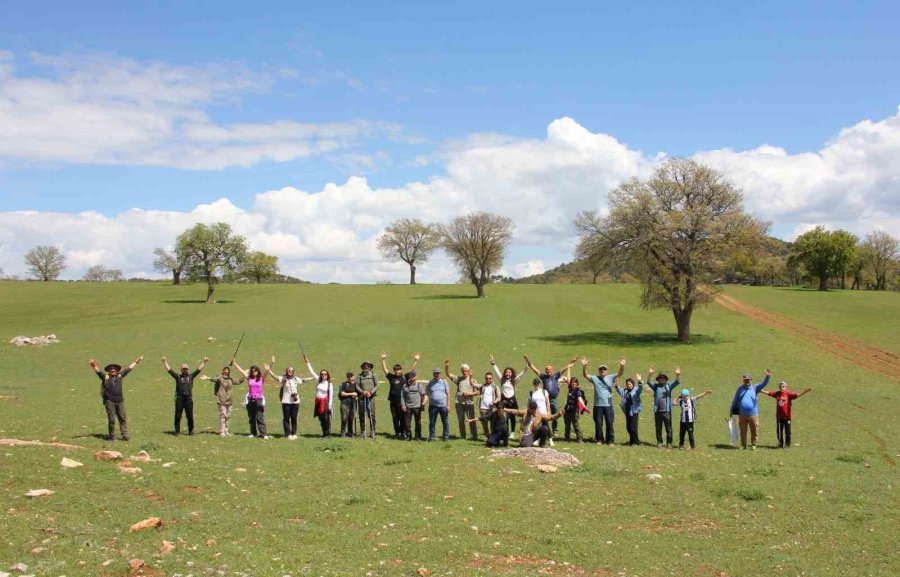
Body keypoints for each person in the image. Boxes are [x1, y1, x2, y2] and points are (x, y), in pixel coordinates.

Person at [89, 356, 143, 441]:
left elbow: (129, 369)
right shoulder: (105, 377)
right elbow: (98, 372)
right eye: (111, 369)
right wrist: (93, 365)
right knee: (112, 419)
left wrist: (136, 361)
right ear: (109, 371)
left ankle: (124, 435)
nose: (113, 370)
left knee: (122, 418)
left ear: (117, 370)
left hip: (120, 401)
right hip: (109, 401)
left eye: (114, 369)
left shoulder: (120, 376)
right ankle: (112, 436)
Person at [524, 354, 578, 436]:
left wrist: (571, 361)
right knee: (545, 415)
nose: (549, 371)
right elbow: (534, 369)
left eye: (550, 369)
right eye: (547, 369)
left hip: (554, 399)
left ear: (552, 370)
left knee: (555, 414)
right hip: (546, 399)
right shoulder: (543, 377)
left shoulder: (556, 376)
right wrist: (528, 361)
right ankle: (545, 430)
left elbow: (564, 368)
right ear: (545, 371)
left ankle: (555, 431)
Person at [264, 355, 316, 440]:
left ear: (293, 372)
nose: (290, 371)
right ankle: (287, 433)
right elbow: (275, 377)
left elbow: (303, 380)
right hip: (286, 401)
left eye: (292, 370)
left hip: (295, 402)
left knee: (294, 417)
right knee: (286, 418)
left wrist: (313, 378)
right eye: (289, 370)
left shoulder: (296, 379)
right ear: (287, 371)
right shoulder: (283, 378)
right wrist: (269, 370)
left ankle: (294, 433)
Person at [582, 357, 625, 445]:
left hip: (608, 405)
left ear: (607, 371)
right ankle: (599, 439)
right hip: (597, 405)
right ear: (599, 370)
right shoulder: (595, 378)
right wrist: (585, 366)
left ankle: (610, 440)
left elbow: (620, 374)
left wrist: (622, 366)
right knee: (598, 423)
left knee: (609, 423)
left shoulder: (611, 377)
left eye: (604, 369)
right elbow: (585, 375)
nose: (602, 370)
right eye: (601, 369)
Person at [161, 356, 208, 436]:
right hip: (179, 399)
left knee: (190, 416)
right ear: (181, 370)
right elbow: (170, 370)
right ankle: (177, 431)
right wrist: (165, 362)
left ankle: (191, 431)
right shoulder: (178, 377)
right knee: (178, 416)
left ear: (188, 370)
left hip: (188, 400)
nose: (185, 370)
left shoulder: (191, 376)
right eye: (183, 369)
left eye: (186, 369)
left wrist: (204, 362)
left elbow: (198, 370)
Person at [729, 369, 772, 450]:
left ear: (751, 380)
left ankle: (754, 444)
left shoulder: (755, 388)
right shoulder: (740, 389)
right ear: (743, 380)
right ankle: (743, 445)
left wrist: (767, 376)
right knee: (743, 431)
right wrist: (731, 410)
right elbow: (735, 400)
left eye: (748, 380)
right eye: (745, 380)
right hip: (742, 414)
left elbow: (764, 384)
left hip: (753, 414)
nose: (747, 381)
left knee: (754, 430)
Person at [382, 352, 420, 439]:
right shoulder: (392, 377)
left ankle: (403, 432)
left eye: (398, 370)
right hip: (393, 402)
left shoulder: (404, 377)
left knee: (403, 418)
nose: (397, 371)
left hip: (403, 402)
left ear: (401, 370)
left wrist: (415, 360)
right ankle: (397, 432)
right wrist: (383, 359)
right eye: (395, 370)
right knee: (395, 418)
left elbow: (412, 369)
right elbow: (385, 370)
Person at [199, 365, 244, 436]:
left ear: (229, 371)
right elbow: (215, 379)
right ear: (223, 371)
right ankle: (222, 431)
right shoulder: (220, 377)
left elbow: (238, 382)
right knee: (223, 415)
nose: (226, 371)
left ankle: (227, 431)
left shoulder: (230, 379)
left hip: (230, 400)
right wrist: (207, 377)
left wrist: (243, 376)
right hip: (222, 399)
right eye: (225, 370)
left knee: (228, 416)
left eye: (227, 370)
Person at [765, 382, 812, 448]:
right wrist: (760, 390)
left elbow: (797, 395)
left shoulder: (788, 394)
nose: (782, 388)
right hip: (779, 417)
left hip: (787, 417)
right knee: (779, 431)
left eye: (783, 387)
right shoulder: (777, 394)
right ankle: (780, 444)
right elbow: (769, 393)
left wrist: (805, 391)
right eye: (781, 387)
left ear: (786, 388)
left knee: (787, 432)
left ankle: (787, 444)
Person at [490, 355, 526, 439]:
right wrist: (493, 364)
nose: (508, 374)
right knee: (504, 417)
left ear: (511, 373)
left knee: (512, 417)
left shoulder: (514, 381)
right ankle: (505, 432)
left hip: (512, 401)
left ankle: (512, 433)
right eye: (507, 372)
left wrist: (526, 368)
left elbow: (521, 375)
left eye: (509, 372)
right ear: (505, 373)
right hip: (503, 401)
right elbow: (497, 372)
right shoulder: (501, 380)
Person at [231, 360, 268, 439]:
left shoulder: (261, 379)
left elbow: (266, 373)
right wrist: (234, 363)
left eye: (255, 371)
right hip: (250, 400)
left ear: (258, 371)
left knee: (259, 417)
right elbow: (241, 371)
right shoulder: (249, 378)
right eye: (253, 371)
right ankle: (253, 433)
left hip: (258, 400)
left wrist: (269, 367)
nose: (254, 372)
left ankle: (264, 434)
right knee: (251, 417)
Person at [646, 366, 681, 448]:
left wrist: (678, 374)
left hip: (667, 411)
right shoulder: (655, 387)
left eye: (664, 378)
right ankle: (659, 442)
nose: (662, 379)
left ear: (666, 379)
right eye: (660, 378)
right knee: (658, 428)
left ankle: (669, 443)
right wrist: (650, 374)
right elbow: (648, 382)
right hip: (657, 411)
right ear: (658, 379)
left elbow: (677, 382)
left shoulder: (669, 386)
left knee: (668, 428)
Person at [445, 359, 479, 440]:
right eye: (463, 371)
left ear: (469, 370)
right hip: (459, 403)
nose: (464, 372)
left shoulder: (473, 380)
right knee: (461, 421)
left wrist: (468, 394)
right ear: (461, 371)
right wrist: (447, 367)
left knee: (471, 420)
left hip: (469, 404)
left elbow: (477, 392)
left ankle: (474, 436)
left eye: (466, 371)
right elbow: (448, 374)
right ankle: (463, 437)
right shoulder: (459, 379)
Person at [306, 354, 334, 437]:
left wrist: (329, 406)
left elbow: (331, 395)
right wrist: (307, 363)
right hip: (318, 402)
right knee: (321, 418)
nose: (323, 375)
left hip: (325, 403)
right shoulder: (319, 381)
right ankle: (324, 433)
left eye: (325, 374)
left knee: (326, 419)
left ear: (327, 375)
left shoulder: (329, 384)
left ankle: (327, 434)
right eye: (322, 374)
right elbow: (312, 371)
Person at [615, 375, 645, 446]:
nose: (629, 385)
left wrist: (639, 380)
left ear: (633, 384)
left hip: (634, 411)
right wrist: (616, 383)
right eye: (628, 384)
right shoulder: (625, 391)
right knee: (628, 427)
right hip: (627, 411)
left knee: (633, 427)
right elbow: (618, 389)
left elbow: (641, 387)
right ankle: (633, 441)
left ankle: (634, 442)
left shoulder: (636, 390)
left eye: (630, 384)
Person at [400, 370, 428, 440]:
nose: (412, 377)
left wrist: (423, 403)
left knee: (418, 423)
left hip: (417, 407)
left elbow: (424, 395)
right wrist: (403, 405)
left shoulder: (419, 385)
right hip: (408, 407)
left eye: (413, 375)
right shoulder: (405, 385)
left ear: (416, 376)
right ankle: (409, 435)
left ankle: (418, 436)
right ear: (409, 376)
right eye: (410, 375)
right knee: (407, 423)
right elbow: (402, 396)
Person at [426, 368, 451, 441]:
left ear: (440, 374)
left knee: (445, 422)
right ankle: (432, 437)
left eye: (438, 373)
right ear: (433, 374)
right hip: (433, 406)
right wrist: (424, 402)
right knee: (432, 422)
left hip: (443, 406)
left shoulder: (444, 382)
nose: (436, 375)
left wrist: (448, 405)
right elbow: (427, 393)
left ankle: (446, 437)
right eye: (435, 373)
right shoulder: (430, 382)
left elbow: (448, 394)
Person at [473, 371, 500, 438]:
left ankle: (493, 438)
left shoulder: (495, 387)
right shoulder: (482, 386)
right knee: (484, 425)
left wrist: (494, 401)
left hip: (492, 409)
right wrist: (470, 376)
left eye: (490, 378)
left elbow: (499, 397)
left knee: (493, 424)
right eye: (487, 378)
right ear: (485, 378)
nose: (488, 379)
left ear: (492, 378)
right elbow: (473, 384)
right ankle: (488, 438)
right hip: (483, 409)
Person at [356, 361, 378, 438]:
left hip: (371, 397)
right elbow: (357, 386)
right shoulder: (359, 376)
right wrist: (363, 392)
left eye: (368, 367)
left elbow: (376, 386)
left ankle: (373, 431)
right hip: (362, 397)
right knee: (362, 414)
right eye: (365, 366)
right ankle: (363, 431)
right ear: (362, 367)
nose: (366, 368)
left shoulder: (373, 375)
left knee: (372, 414)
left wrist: (371, 392)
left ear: (370, 367)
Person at [563, 376, 588, 443]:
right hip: (567, 410)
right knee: (567, 425)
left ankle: (579, 439)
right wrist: (568, 367)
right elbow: (568, 378)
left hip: (574, 411)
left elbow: (580, 399)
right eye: (572, 382)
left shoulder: (578, 391)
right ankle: (567, 437)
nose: (573, 383)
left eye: (575, 382)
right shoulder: (570, 388)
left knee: (575, 425)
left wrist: (584, 407)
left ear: (577, 383)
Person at [339, 372, 359, 437]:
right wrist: (352, 394)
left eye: (351, 376)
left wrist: (357, 397)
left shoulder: (357, 385)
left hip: (353, 403)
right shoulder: (344, 384)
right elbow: (342, 393)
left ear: (354, 377)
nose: (350, 378)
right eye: (348, 377)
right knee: (344, 418)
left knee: (351, 418)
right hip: (344, 403)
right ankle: (343, 432)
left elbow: (358, 394)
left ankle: (350, 432)